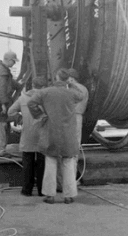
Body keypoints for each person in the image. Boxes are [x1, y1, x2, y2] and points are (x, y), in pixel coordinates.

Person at [27, 68, 86, 204]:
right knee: (68, 163)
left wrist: (40, 115)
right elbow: (81, 95)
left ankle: (49, 195)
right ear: (66, 79)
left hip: (51, 131)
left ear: (55, 78)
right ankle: (69, 196)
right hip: (68, 134)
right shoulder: (71, 93)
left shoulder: (45, 92)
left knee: (51, 162)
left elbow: (31, 103)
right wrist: (70, 84)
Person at [7, 75, 48, 197]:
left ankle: (26, 190)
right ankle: (41, 190)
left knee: (27, 164)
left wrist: (20, 118)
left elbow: (10, 112)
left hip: (27, 134)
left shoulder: (23, 98)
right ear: (44, 87)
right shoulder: (46, 98)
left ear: (33, 85)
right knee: (42, 164)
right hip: (42, 134)